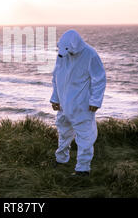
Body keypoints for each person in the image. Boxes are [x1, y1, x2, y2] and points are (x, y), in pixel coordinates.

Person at [50, 29, 106, 177]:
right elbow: (56, 76)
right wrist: (55, 98)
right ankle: (61, 159)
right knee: (63, 132)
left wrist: (95, 101)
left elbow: (99, 79)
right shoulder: (63, 54)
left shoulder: (90, 54)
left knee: (85, 136)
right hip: (63, 103)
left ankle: (82, 169)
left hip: (82, 104)